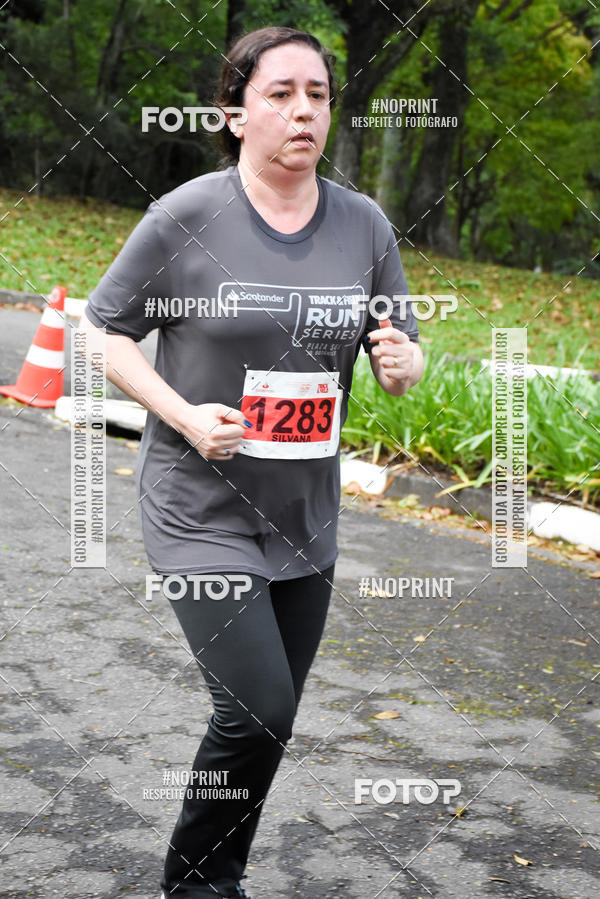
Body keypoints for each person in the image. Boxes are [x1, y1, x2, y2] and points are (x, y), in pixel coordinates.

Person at [79, 25, 424, 899]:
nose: (303, 110)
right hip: (200, 505)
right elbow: (103, 329)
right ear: (235, 113)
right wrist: (184, 415)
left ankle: (214, 874)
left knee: (270, 722)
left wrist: (403, 365)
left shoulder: (364, 224)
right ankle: (197, 883)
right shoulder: (188, 215)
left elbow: (402, 351)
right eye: (279, 94)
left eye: (317, 93)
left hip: (305, 514)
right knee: (256, 707)